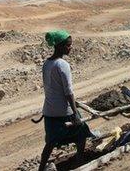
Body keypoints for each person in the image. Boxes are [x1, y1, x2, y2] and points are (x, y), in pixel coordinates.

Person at [39, 30, 93, 171]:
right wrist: (75, 113)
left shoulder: (46, 63)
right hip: (63, 111)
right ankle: (80, 161)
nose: (70, 48)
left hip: (49, 110)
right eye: (68, 45)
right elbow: (68, 92)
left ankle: (41, 167)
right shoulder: (62, 65)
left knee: (50, 142)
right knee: (82, 130)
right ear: (60, 46)